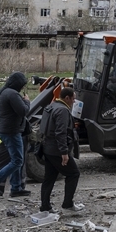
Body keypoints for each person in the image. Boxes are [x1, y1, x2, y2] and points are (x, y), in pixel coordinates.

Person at [0, 71, 31, 199]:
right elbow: (23, 111)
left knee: (15, 159)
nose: (23, 87)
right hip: (12, 132)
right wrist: (27, 101)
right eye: (22, 85)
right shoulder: (12, 94)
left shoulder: (3, 92)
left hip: (6, 130)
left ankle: (16, 188)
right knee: (17, 161)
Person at [39, 86, 83, 214]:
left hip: (47, 148)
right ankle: (67, 204)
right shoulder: (63, 110)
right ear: (67, 98)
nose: (74, 102)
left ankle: (45, 206)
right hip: (57, 150)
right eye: (73, 99)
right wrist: (64, 152)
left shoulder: (51, 106)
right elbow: (60, 133)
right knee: (73, 174)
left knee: (49, 177)